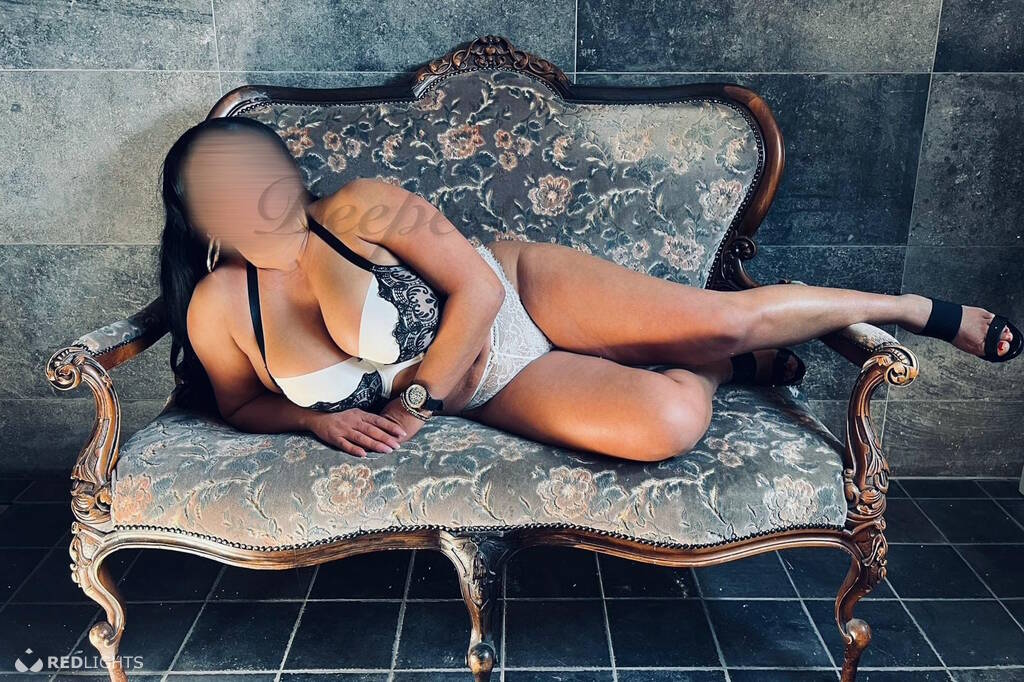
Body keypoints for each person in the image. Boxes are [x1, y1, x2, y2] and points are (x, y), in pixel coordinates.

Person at [161, 117, 1020, 462]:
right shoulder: (219, 306)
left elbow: (477, 293)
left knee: (725, 318)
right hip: (492, 387)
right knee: (667, 424)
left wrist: (412, 407)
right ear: (200, 220)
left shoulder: (359, 206)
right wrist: (314, 419)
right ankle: (727, 368)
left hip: (517, 295)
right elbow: (240, 406)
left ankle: (908, 308)